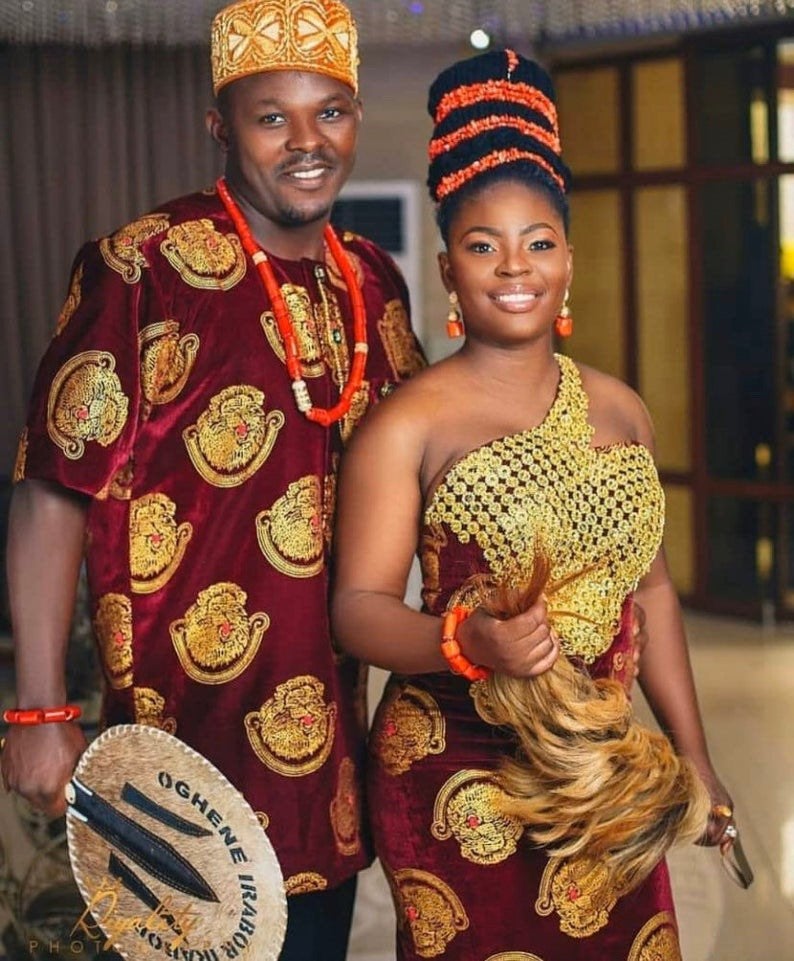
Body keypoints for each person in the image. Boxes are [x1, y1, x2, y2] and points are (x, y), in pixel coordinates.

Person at [0, 1, 425, 958]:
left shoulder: (375, 282)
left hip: (332, 784)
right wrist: (36, 710)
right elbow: (52, 489)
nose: (307, 141)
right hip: (177, 769)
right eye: (273, 115)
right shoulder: (139, 268)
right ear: (220, 127)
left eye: (332, 112)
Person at [331, 49, 734, 959]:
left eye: (538, 241)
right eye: (483, 245)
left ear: (568, 259)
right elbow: (356, 610)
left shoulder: (622, 406)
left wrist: (694, 756)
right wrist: (464, 641)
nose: (514, 266)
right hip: (457, 770)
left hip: (602, 768)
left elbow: (655, 595)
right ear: (447, 266)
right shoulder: (410, 421)